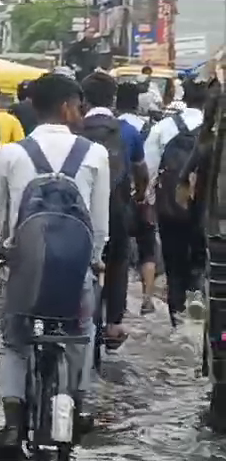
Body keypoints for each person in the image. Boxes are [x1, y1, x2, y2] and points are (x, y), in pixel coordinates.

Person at [0, 73, 110, 461]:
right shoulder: (95, 154)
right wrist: (96, 259)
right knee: (82, 331)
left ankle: (13, 422)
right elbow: (99, 225)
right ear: (69, 106)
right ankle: (80, 404)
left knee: (15, 342)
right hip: (75, 271)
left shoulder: (11, 154)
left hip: (25, 270)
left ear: (33, 108)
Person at [79, 72, 148, 348]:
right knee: (118, 261)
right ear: (114, 98)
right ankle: (114, 324)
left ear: (83, 100)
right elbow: (141, 171)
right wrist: (140, 196)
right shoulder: (128, 131)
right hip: (117, 209)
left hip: (81, 212)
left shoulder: (76, 130)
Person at [144, 79, 208, 325]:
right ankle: (196, 310)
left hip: (171, 208)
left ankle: (176, 318)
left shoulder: (163, 127)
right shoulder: (213, 132)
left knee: (174, 262)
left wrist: (150, 204)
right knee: (199, 261)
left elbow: (149, 171)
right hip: (205, 211)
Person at [117, 82, 159, 315]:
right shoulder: (149, 127)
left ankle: (117, 300)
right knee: (147, 249)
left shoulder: (115, 128)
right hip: (143, 197)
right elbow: (149, 166)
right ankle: (147, 299)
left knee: (118, 250)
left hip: (119, 198)